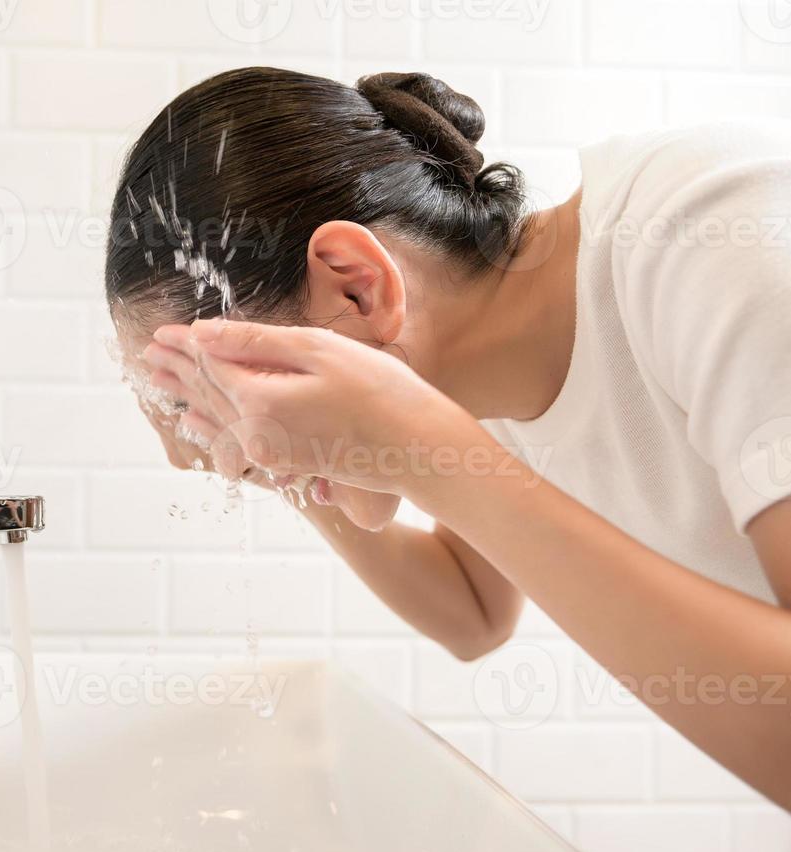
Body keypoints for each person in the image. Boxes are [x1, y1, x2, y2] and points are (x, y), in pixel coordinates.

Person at [105, 67, 791, 810]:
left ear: (355, 287)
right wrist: (274, 449)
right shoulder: (478, 373)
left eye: (212, 388)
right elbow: (471, 611)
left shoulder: (710, 229)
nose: (204, 447)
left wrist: (411, 443)